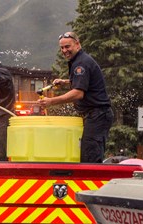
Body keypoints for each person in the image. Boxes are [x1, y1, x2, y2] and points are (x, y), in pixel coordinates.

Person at [37, 32, 113, 163]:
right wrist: (66, 82)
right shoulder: (79, 61)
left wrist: (51, 101)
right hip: (95, 116)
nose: (64, 50)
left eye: (67, 47)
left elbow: (78, 93)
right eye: (62, 48)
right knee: (88, 153)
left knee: (90, 158)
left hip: (98, 115)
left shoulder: (80, 64)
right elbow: (85, 83)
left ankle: (92, 182)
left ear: (77, 44)